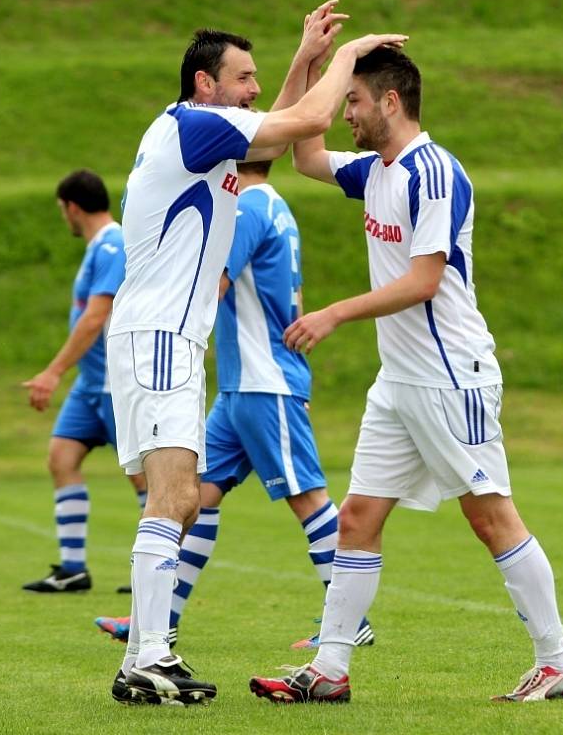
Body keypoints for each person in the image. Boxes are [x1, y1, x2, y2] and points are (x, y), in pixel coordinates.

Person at [248, 47, 563, 704]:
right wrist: (312, 60)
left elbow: (425, 280)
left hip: (450, 377)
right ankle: (330, 669)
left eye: (353, 101)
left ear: (390, 103)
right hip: (399, 382)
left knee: (492, 520)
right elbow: (304, 153)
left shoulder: (434, 173)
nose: (344, 113)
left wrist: (336, 313)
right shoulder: (376, 170)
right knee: (357, 518)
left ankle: (558, 662)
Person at [105, 0, 407, 706]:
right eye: (243, 77)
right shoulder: (194, 125)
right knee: (174, 497)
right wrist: (345, 59)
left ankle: (147, 656)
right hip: (159, 338)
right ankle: (146, 658)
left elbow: (269, 142)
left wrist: (305, 57)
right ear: (205, 85)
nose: (251, 88)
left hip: (164, 338)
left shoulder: (201, 135)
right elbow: (303, 125)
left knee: (178, 502)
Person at [94, 159, 373, 651]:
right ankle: (162, 618)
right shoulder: (276, 205)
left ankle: (349, 621)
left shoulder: (245, 208)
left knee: (307, 498)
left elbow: (214, 283)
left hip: (264, 380)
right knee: (198, 495)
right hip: (243, 385)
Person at [21, 169, 148, 593]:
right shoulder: (99, 246)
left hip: (116, 382)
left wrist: (53, 371)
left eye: (63, 210)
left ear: (72, 207)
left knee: (144, 478)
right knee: (61, 458)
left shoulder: (113, 243)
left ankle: (157, 571)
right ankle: (73, 568)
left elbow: (96, 317)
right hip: (90, 384)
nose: (65, 217)